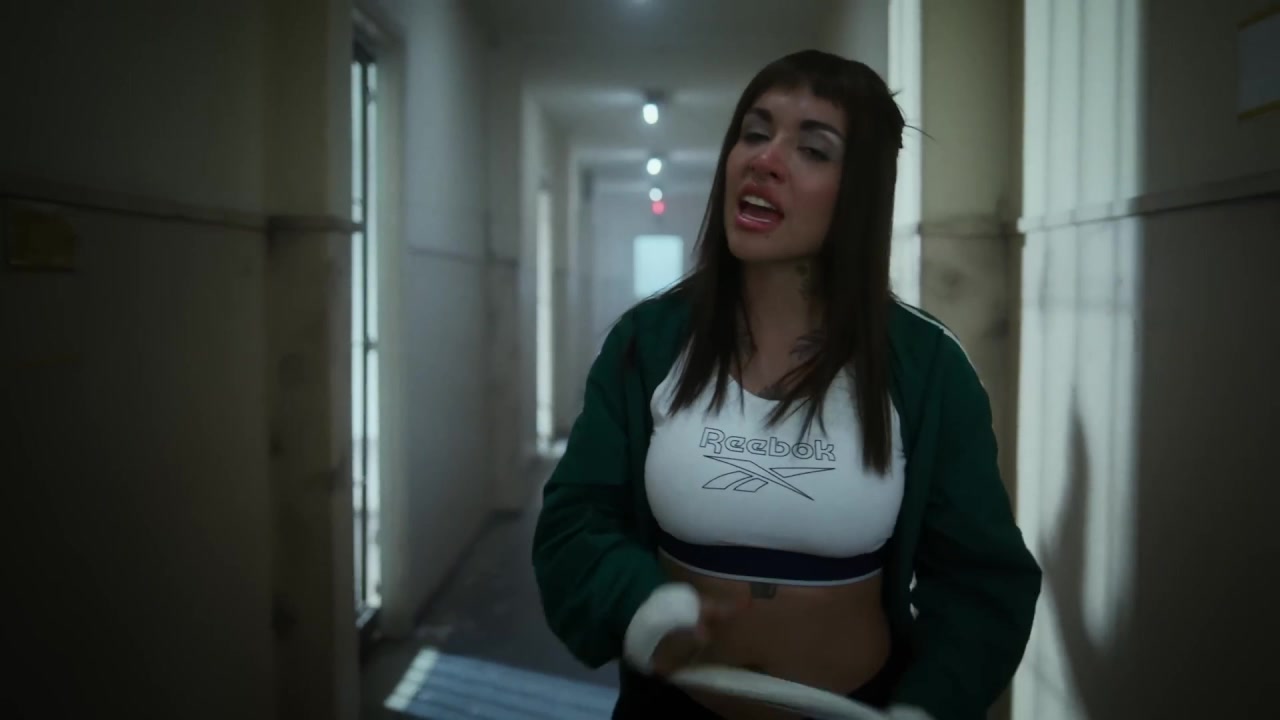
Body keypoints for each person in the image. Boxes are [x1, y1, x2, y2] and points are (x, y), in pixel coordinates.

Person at [531, 49, 1041, 720]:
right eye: (754, 133)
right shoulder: (647, 343)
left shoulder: (926, 367)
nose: (765, 160)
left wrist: (930, 704)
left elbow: (982, 579)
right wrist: (638, 603)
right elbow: (574, 521)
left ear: (859, 192)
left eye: (813, 150)